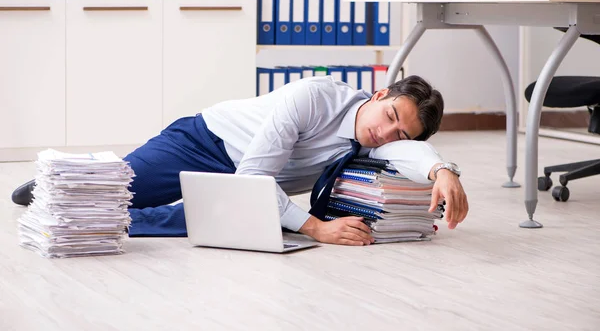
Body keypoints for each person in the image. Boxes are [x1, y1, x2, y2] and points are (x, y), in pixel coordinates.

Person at [12, 75, 468, 246]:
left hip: (244, 182)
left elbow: (408, 150)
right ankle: (65, 183)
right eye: (389, 116)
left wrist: (443, 170)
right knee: (116, 188)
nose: (386, 133)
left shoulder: (379, 139)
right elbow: (254, 176)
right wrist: (313, 226)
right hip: (204, 141)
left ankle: (99, 218)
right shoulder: (313, 97)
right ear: (380, 93)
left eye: (399, 131)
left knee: (199, 219)